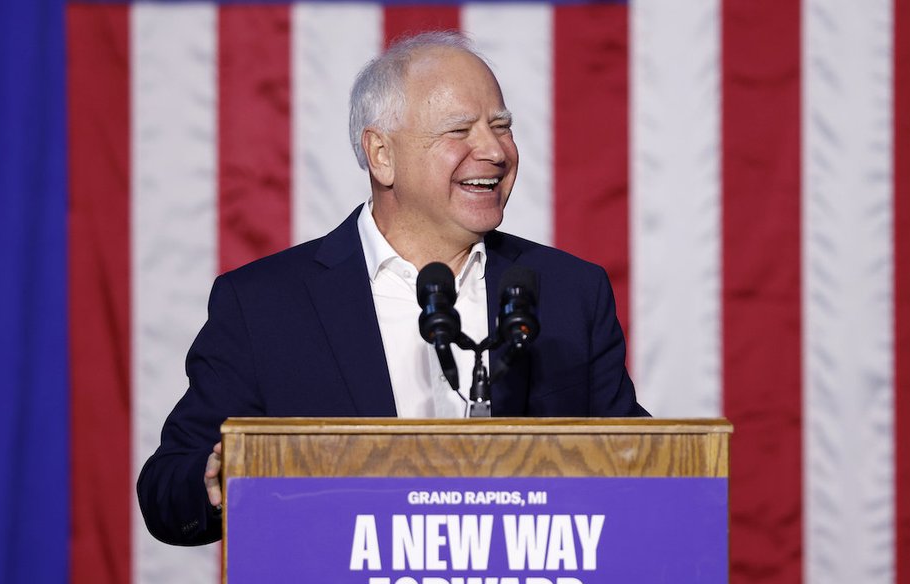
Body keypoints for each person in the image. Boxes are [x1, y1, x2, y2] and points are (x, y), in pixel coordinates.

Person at [137, 31, 648, 547]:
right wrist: (215, 481)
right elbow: (167, 488)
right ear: (381, 155)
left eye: (501, 126)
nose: (494, 151)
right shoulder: (266, 305)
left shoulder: (568, 291)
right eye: (459, 130)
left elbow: (643, 471)